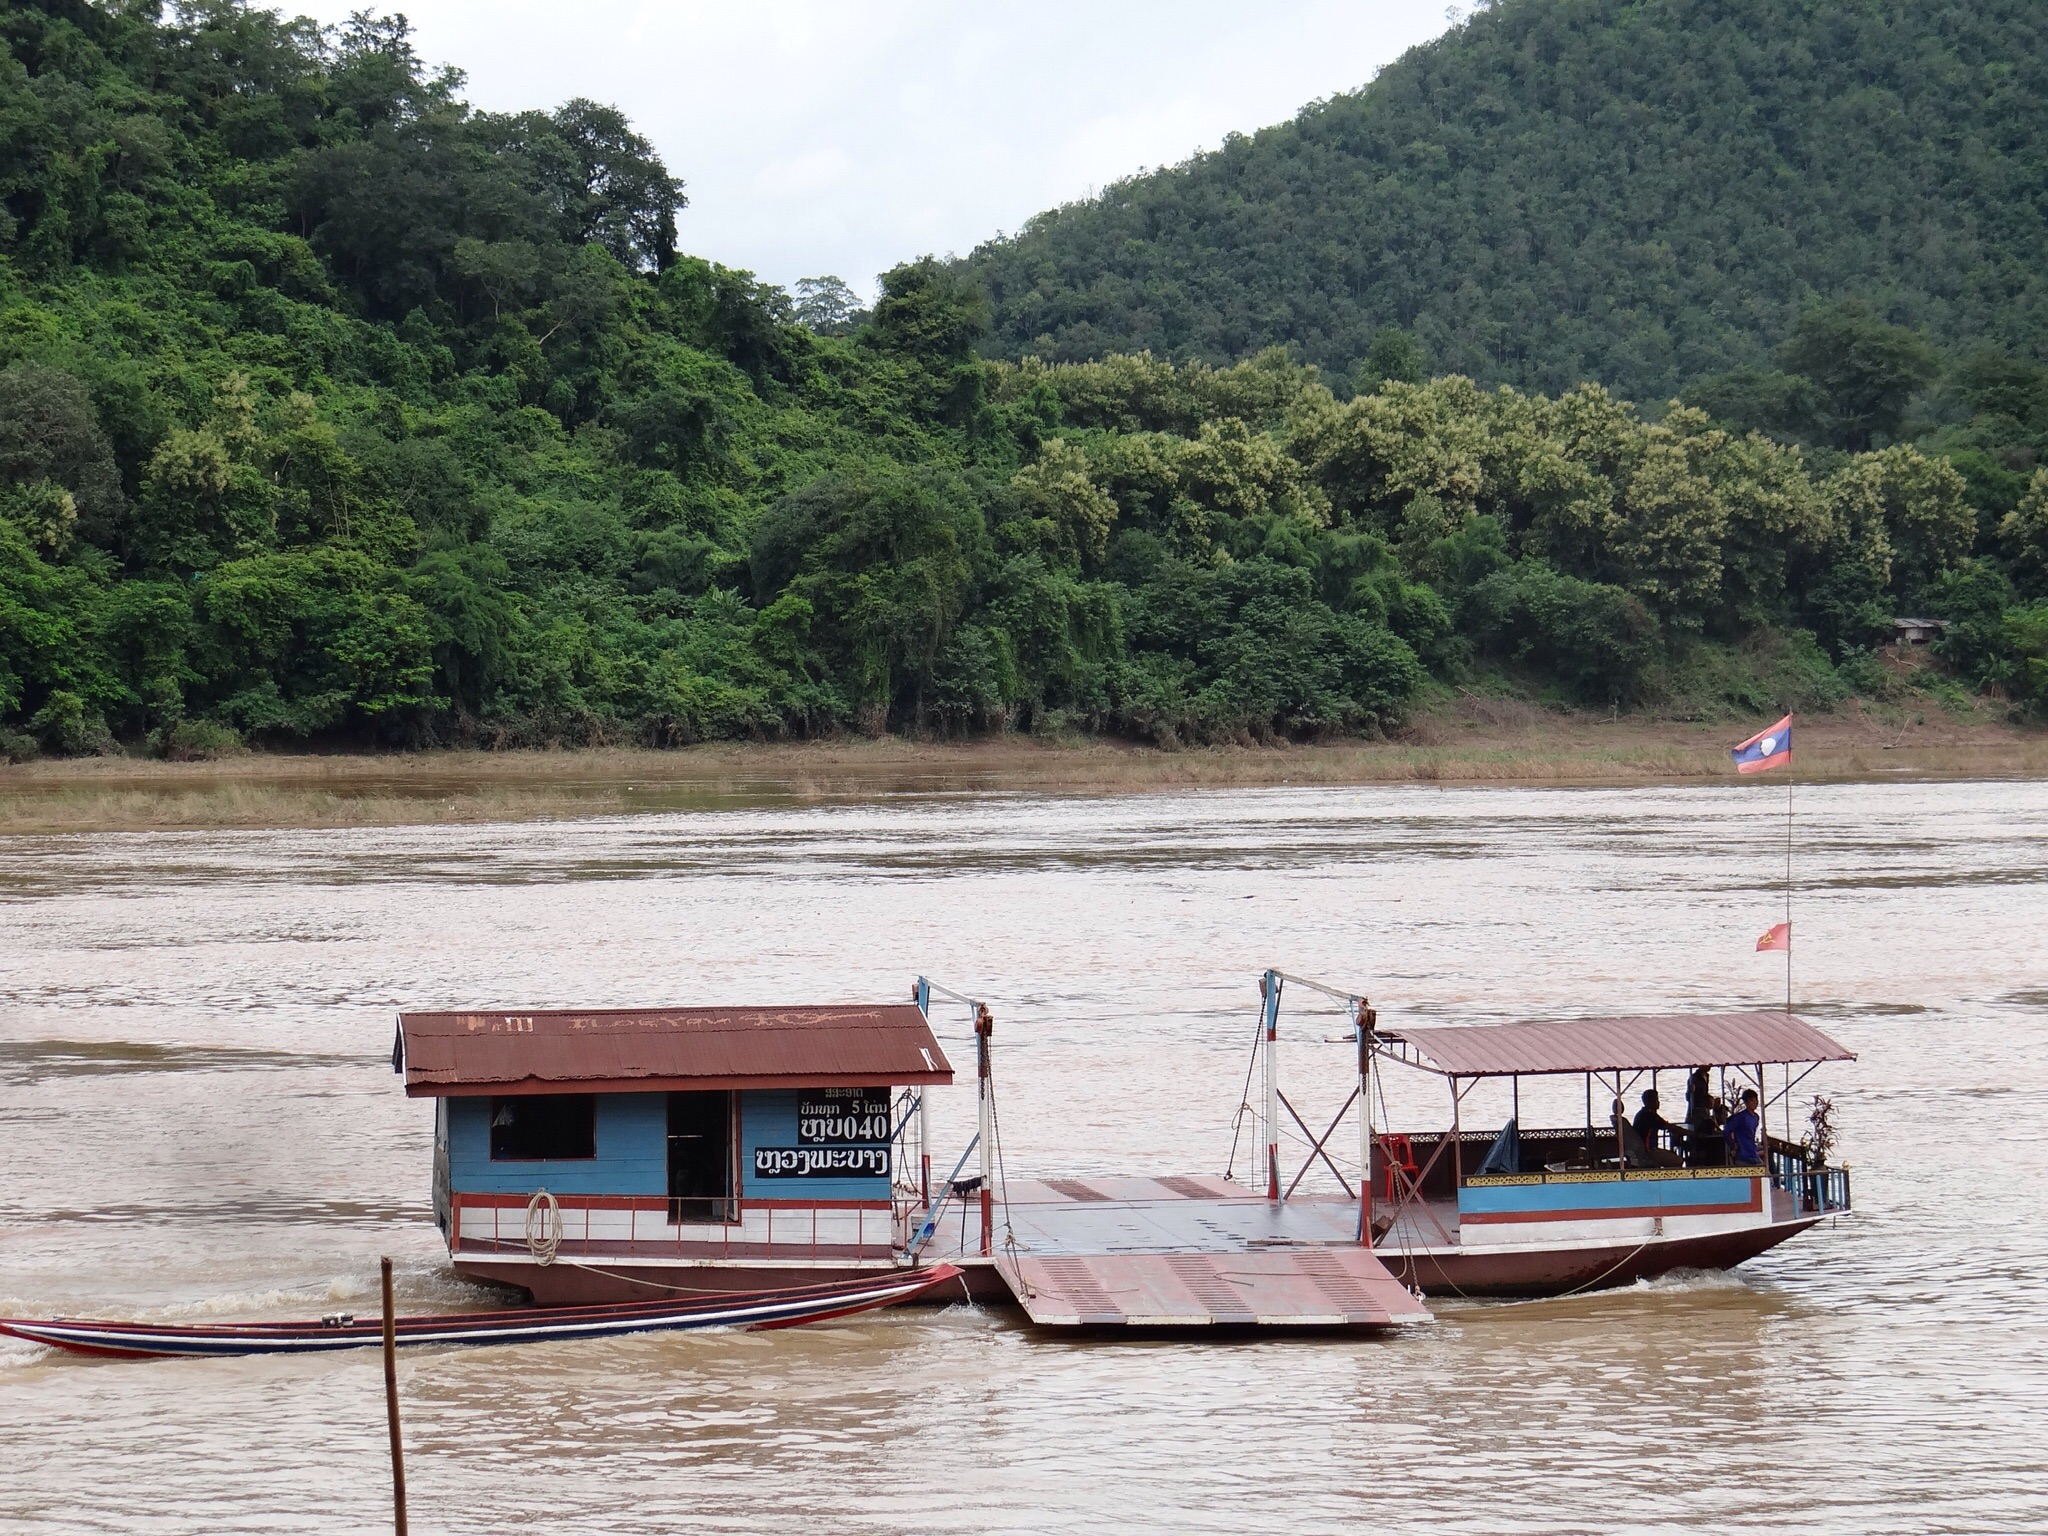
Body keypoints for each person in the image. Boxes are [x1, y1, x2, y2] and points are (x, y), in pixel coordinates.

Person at [1724, 1088, 1762, 1164]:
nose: (1755, 1102)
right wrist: (1732, 1145)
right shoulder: (1741, 1117)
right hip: (1743, 1153)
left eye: (1756, 1100)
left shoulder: (1756, 1117)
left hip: (1752, 1151)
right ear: (1746, 1102)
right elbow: (1727, 1130)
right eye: (1751, 1100)